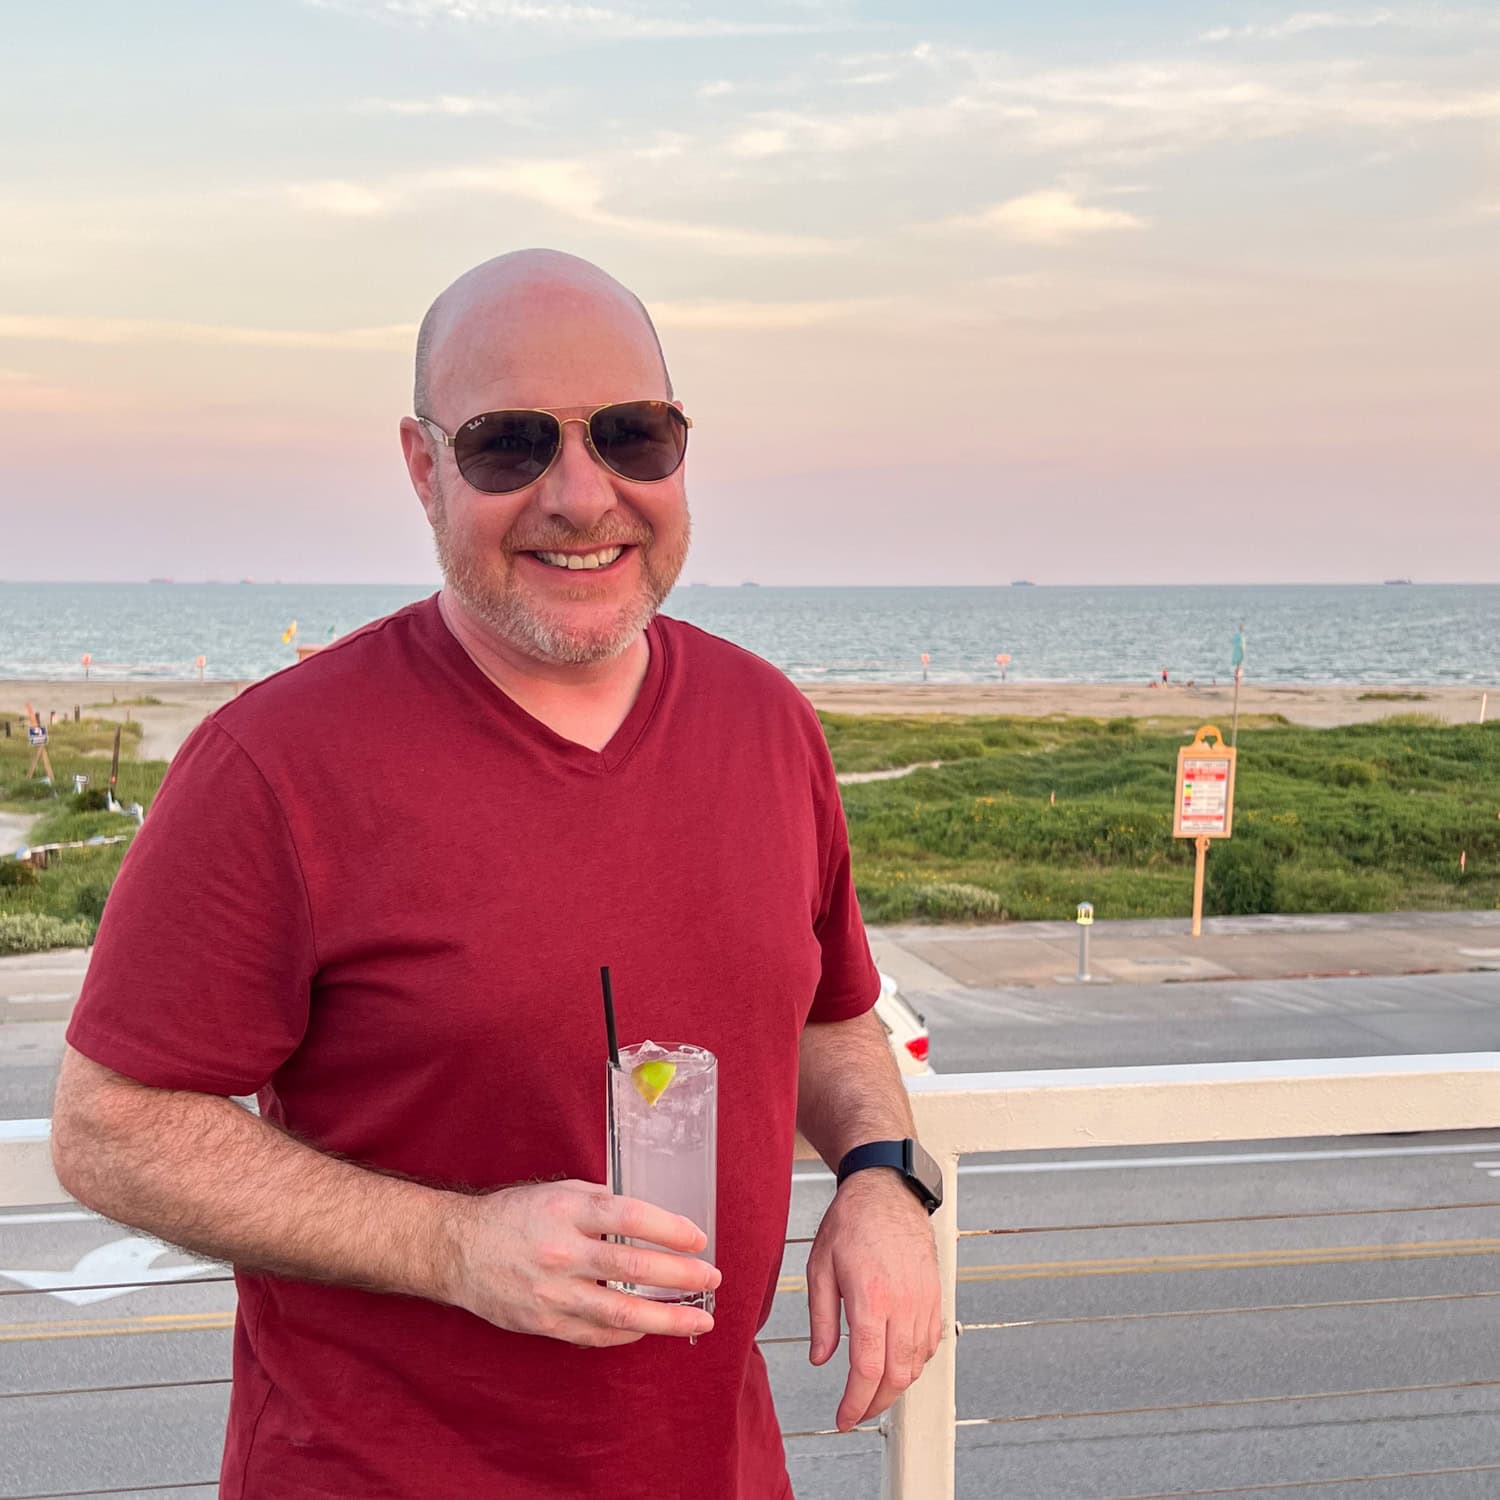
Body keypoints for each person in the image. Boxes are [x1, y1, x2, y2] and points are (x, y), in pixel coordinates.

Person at [50, 249, 942, 1499]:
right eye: (509, 445)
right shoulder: (275, 764)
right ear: (422, 467)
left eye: (635, 435)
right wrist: (457, 1246)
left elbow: (831, 1011)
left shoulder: (767, 723)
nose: (584, 497)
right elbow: (109, 1130)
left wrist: (882, 1179)